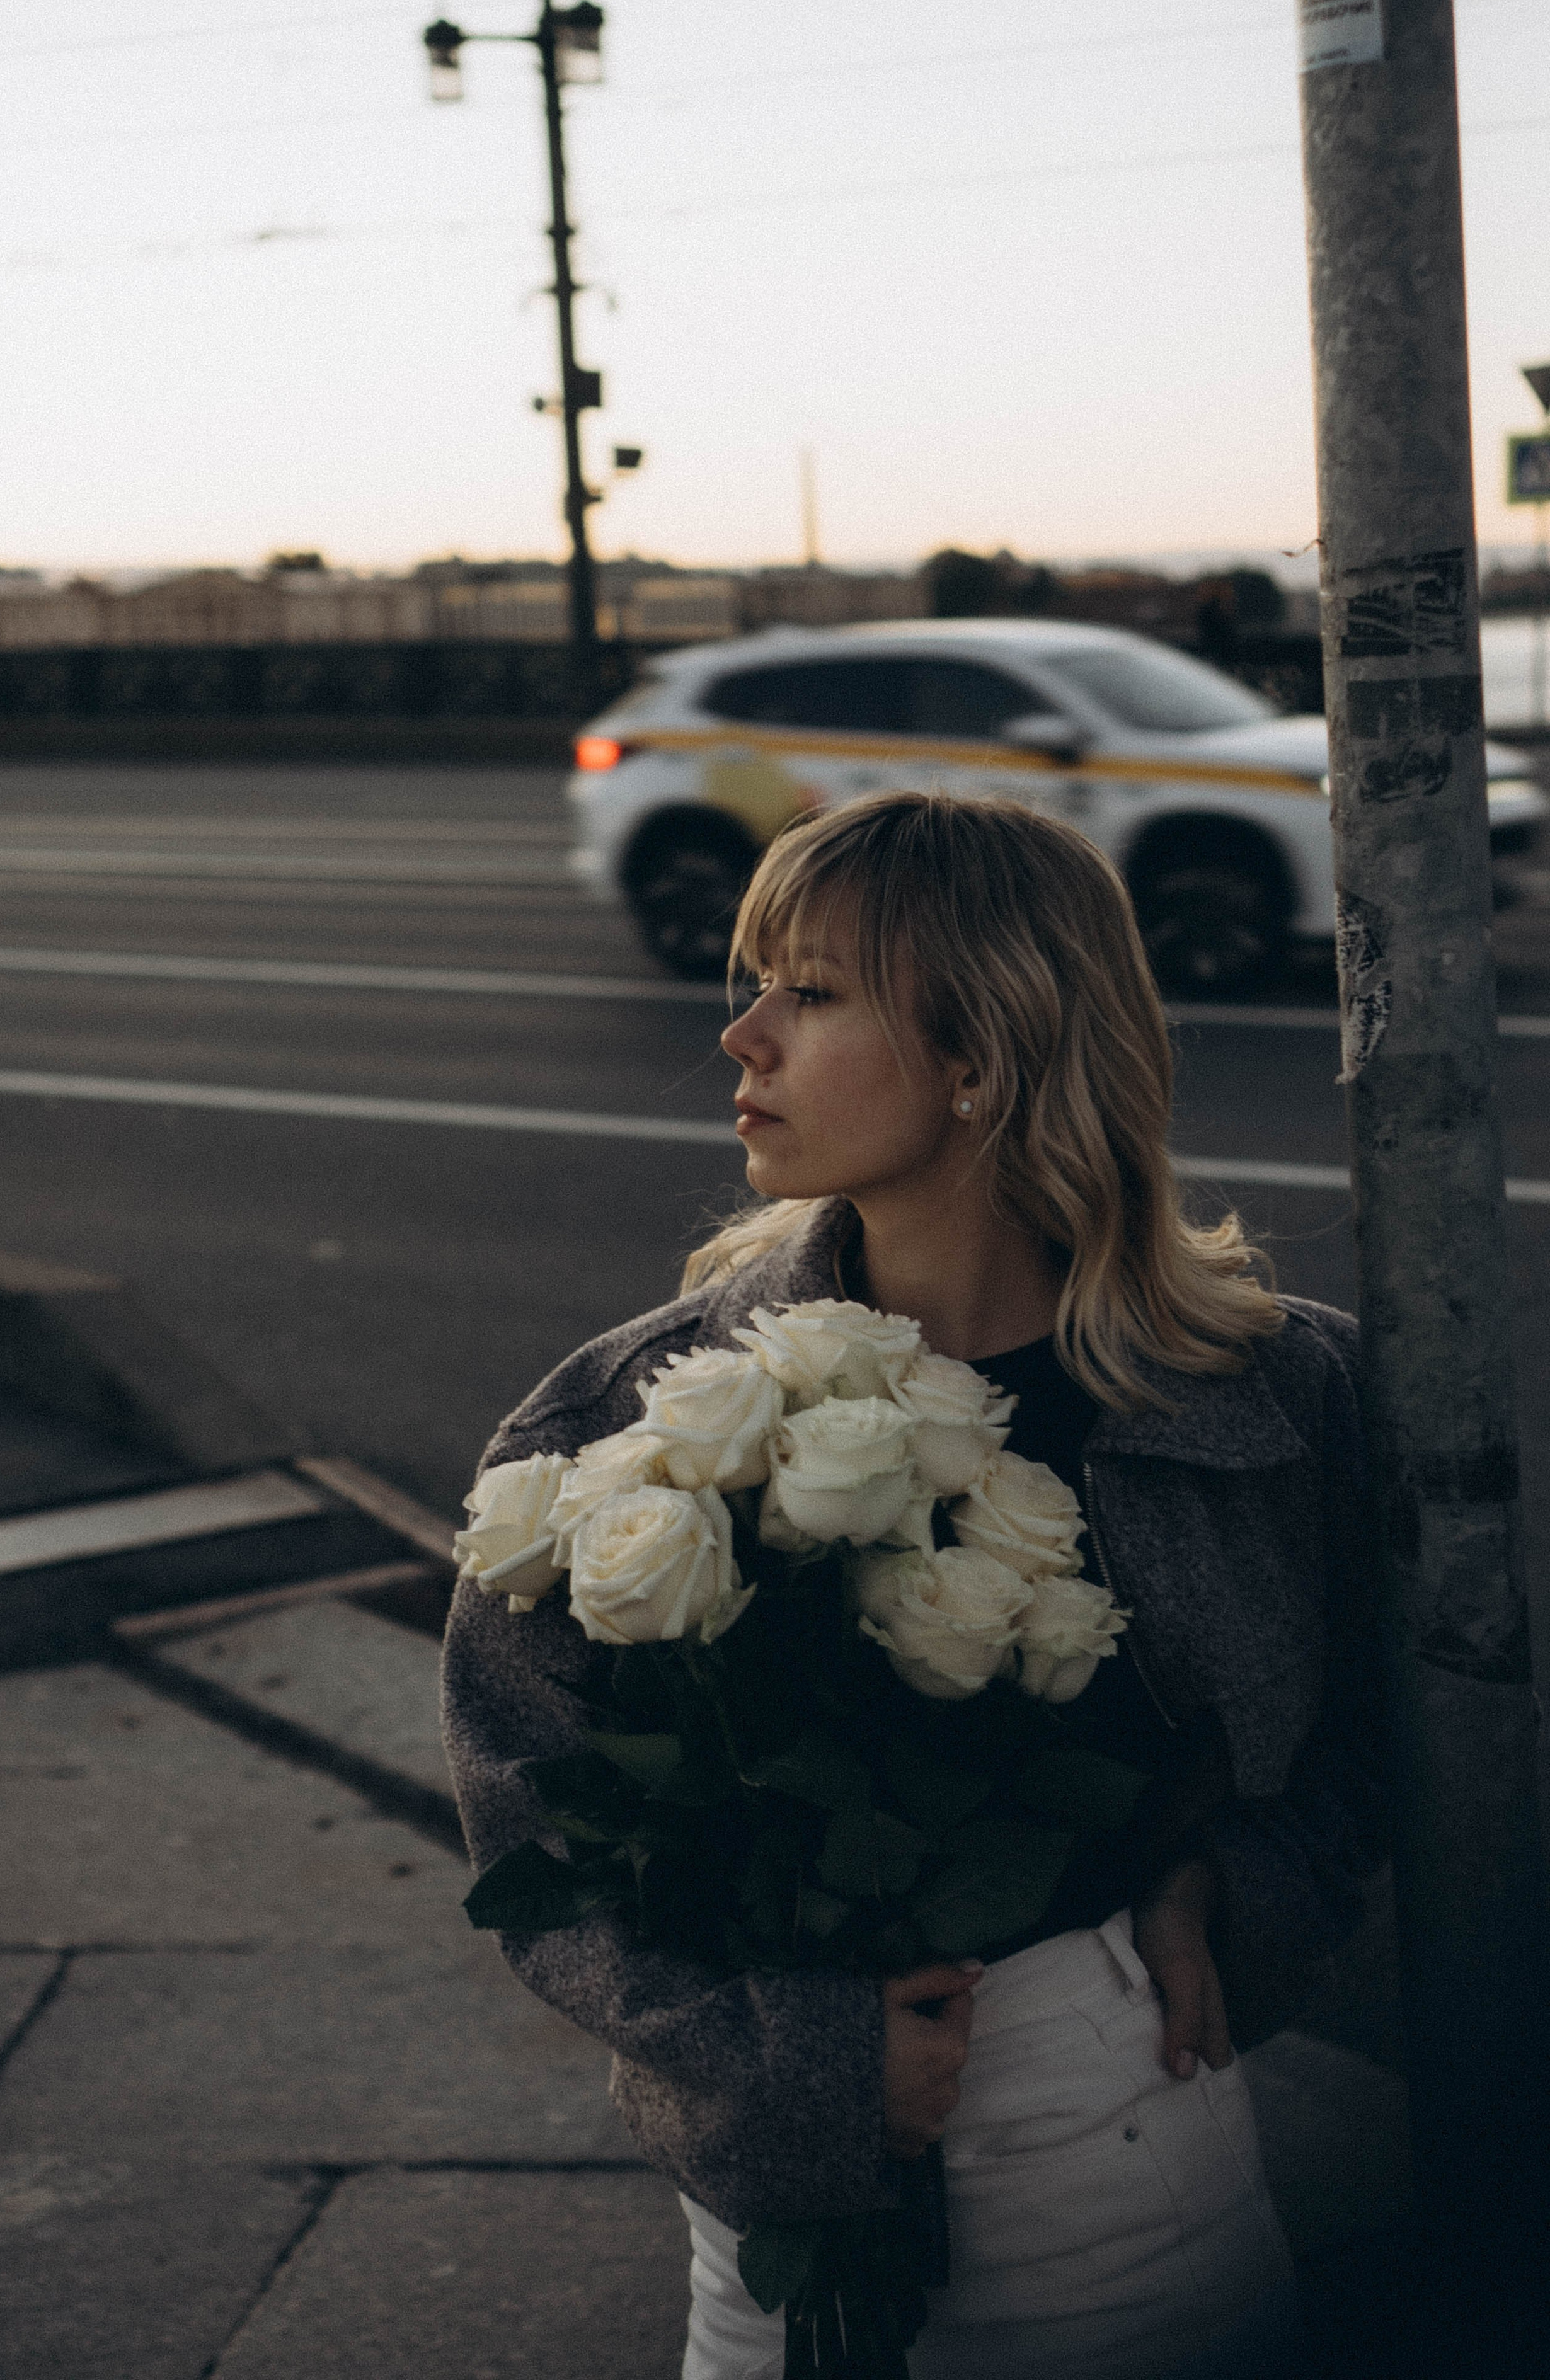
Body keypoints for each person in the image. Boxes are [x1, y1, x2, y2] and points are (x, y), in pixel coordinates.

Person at [441, 791, 1384, 2380]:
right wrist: (796, 2065)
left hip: (1140, 2181)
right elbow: (531, 1821)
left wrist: (1234, 1884)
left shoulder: (1279, 1398)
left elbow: (1404, 1730)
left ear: (982, 1055)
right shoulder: (636, 1417)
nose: (739, 1035)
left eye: (809, 994)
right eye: (756, 983)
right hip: (767, 2238)